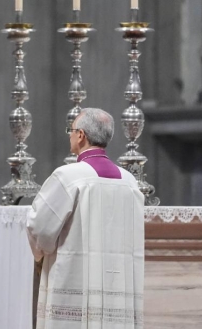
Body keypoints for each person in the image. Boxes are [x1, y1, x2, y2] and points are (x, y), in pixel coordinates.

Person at [26, 108, 144, 329]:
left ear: (80, 135)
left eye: (71, 131)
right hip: (118, 282)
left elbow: (39, 227)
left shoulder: (68, 176)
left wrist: (40, 253)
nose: (70, 135)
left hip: (73, 278)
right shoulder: (129, 182)